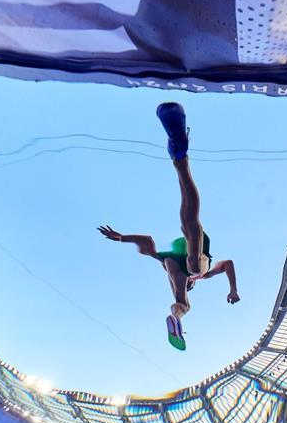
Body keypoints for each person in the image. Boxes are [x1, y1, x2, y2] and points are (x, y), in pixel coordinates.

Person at [98, 102, 240, 351]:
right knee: (191, 246)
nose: (190, 283)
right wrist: (233, 290)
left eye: (189, 283)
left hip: (176, 256)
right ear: (194, 284)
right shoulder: (202, 275)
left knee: (174, 265)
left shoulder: (170, 264)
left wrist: (122, 238)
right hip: (193, 249)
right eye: (191, 284)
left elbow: (146, 241)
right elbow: (228, 264)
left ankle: (175, 318)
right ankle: (180, 158)